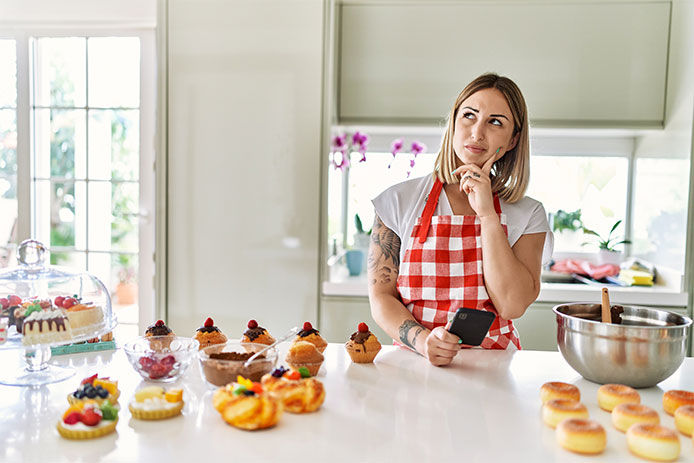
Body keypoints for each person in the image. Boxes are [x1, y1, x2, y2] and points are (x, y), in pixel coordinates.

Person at [368, 73, 553, 366]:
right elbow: (381, 297)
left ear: (513, 139)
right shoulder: (397, 201)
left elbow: (511, 304)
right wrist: (423, 341)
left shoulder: (527, 214)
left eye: (495, 122)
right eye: (469, 115)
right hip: (416, 363)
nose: (477, 133)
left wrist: (488, 216)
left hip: (494, 372)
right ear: (454, 121)